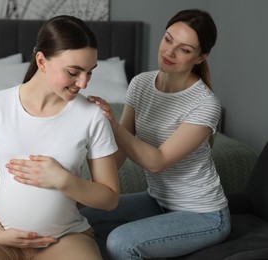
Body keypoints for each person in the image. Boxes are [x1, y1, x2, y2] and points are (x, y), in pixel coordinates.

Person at [0, 15, 119, 260]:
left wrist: (62, 180)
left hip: (65, 238)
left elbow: (110, 198)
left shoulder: (92, 116)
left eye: (90, 73)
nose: (83, 83)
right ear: (42, 61)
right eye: (73, 72)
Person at [82, 9, 231, 260]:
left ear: (201, 57)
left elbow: (157, 162)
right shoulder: (141, 83)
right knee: (80, 219)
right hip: (157, 201)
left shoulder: (205, 103)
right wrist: (88, 190)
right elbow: (121, 149)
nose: (169, 52)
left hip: (203, 214)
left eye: (184, 49)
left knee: (122, 243)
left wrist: (112, 124)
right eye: (168, 39)